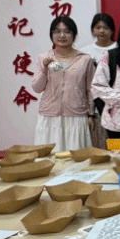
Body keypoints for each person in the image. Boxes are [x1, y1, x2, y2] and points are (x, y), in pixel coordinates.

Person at [31, 16, 97, 152]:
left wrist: (91, 114)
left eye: (67, 31)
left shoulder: (85, 59)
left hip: (76, 116)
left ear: (74, 35)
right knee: (50, 157)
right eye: (57, 31)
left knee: (76, 157)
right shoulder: (44, 58)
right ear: (51, 35)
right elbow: (37, 88)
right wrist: (44, 70)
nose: (62, 35)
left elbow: (91, 89)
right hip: (50, 117)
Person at [79, 13, 117, 148]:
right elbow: (83, 81)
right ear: (92, 30)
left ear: (112, 30)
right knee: (98, 146)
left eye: (106, 28)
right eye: (98, 27)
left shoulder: (119, 48)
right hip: (94, 108)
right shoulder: (85, 51)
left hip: (117, 105)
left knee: (117, 146)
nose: (101, 31)